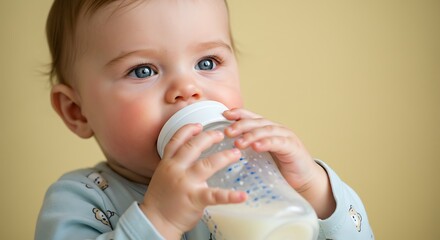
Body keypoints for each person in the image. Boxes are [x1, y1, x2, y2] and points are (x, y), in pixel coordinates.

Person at [36, 0, 374, 239]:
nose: (188, 88)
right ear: (76, 111)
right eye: (143, 70)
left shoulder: (260, 173)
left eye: (207, 63)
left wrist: (314, 189)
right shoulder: (81, 200)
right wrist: (161, 220)